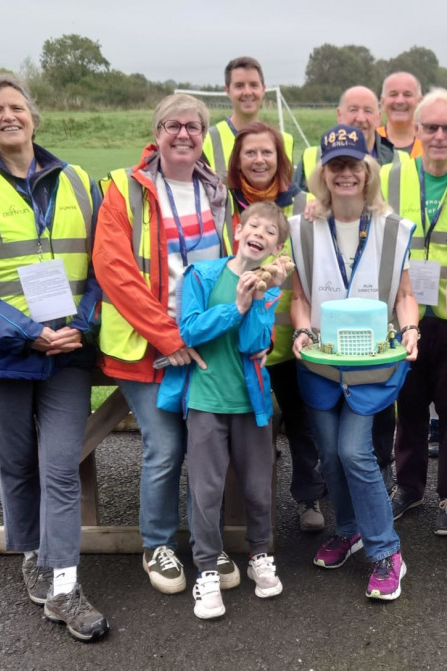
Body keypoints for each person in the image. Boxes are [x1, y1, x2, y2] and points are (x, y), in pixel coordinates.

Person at [0, 75, 108, 641]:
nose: (8, 116)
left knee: (59, 467)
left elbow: (107, 267)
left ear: (34, 116)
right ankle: (33, 553)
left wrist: (79, 326)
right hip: (0, 356)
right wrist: (28, 332)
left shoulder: (81, 181)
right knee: (17, 468)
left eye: (17, 107)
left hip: (69, 357)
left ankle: (64, 588)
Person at [94, 94, 236, 595]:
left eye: (194, 126)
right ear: (156, 133)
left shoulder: (218, 192)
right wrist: (167, 337)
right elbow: (115, 272)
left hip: (204, 348)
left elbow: (235, 267)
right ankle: (157, 544)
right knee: (166, 447)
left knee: (205, 450)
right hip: (146, 348)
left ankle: (207, 546)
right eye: (173, 125)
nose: (183, 134)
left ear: (204, 134)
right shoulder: (124, 190)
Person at [289, 124, 419, 601]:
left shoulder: (393, 228)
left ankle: (386, 551)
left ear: (368, 171)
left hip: (371, 364)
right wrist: (301, 328)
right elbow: (299, 297)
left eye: (354, 164)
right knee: (328, 455)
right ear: (323, 174)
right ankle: (348, 529)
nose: (345, 173)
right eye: (336, 165)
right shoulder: (300, 228)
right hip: (320, 363)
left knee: (353, 451)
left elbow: (405, 295)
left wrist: (411, 330)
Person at [158, 201, 292, 619]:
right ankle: (207, 572)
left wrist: (259, 298)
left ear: (276, 248)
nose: (260, 233)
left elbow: (254, 345)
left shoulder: (268, 288)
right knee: (206, 490)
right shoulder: (203, 274)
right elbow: (190, 329)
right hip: (206, 401)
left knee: (256, 486)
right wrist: (234, 306)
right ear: (238, 230)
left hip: (250, 403)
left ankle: (259, 556)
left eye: (271, 233)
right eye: (254, 225)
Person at [381, 89, 447, 536]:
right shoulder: (387, 177)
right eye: (430, 127)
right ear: (414, 131)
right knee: (409, 406)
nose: (439, 136)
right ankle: (409, 486)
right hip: (406, 313)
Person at [227, 122, 326, 532]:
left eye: (266, 152)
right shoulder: (223, 203)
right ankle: (246, 516)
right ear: (238, 160)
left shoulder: (305, 203)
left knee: (303, 426)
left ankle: (309, 499)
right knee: (246, 429)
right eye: (249, 153)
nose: (259, 160)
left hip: (291, 339)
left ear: (279, 158)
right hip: (240, 340)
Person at [202, 57, 294, 183]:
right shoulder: (207, 140)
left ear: (263, 89)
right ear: (227, 90)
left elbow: (290, 192)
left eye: (253, 85)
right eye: (239, 86)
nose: (247, 92)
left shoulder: (284, 141)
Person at [295, 86, 400, 191]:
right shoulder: (312, 158)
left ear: (378, 118)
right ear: (339, 115)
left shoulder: (399, 161)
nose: (361, 118)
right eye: (353, 110)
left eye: (368, 111)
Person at [378, 72, 423, 158]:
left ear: (420, 102)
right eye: (393, 94)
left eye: (407, 95)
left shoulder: (431, 142)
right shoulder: (370, 140)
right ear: (383, 102)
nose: (400, 101)